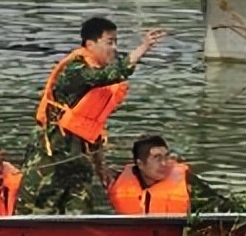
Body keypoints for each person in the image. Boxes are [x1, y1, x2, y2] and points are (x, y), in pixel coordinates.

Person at [20, 16, 167, 214]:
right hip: (51, 155)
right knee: (35, 210)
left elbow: (93, 127)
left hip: (80, 158)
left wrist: (100, 167)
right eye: (109, 42)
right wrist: (142, 48)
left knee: (80, 211)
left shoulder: (99, 81)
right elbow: (109, 75)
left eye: (116, 42)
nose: (114, 48)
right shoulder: (76, 70)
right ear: (90, 44)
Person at [108, 135, 242, 214]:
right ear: (140, 164)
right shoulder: (118, 184)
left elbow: (219, 206)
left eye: (166, 156)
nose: (164, 163)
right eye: (157, 158)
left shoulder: (186, 182)